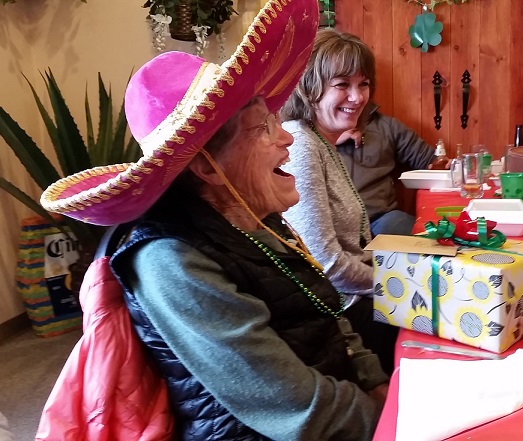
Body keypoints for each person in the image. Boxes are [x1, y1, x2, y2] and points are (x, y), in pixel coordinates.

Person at [39, 2, 389, 440]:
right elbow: (297, 407)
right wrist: (394, 420)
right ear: (206, 168)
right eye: (263, 128)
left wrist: (376, 382)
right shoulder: (171, 261)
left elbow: (326, 311)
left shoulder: (254, 214)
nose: (285, 138)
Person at [280, 28, 398, 376]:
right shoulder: (301, 145)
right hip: (342, 314)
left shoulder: (320, 140)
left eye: (363, 84)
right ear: (308, 88)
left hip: (359, 297)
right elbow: (327, 265)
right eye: (342, 84)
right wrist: (399, 283)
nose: (358, 96)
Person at [336, 103, 438, 236]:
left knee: (427, 237)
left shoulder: (386, 126)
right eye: (342, 85)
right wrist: (329, 139)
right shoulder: (307, 134)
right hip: (329, 222)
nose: (355, 96)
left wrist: (450, 166)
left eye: (363, 85)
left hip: (379, 219)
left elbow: (430, 161)